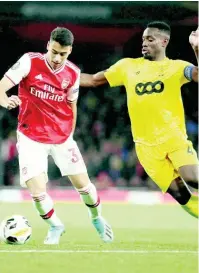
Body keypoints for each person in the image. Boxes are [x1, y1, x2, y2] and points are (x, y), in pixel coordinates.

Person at [0, 27, 113, 244]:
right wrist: (6, 101)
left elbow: (73, 105)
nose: (57, 58)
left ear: (70, 51)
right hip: (31, 136)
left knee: (84, 186)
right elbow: (2, 86)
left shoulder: (73, 73)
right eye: (54, 51)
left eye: (63, 54)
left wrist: (69, 134)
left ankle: (97, 218)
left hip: (61, 138)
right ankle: (55, 226)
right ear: (48, 45)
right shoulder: (29, 62)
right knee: (37, 190)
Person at [80, 21, 199, 218]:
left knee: (193, 179)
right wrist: (59, 77)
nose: (144, 43)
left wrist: (197, 48)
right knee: (182, 197)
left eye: (150, 39)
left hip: (173, 139)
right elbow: (93, 79)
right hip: (145, 148)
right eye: (143, 39)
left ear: (164, 41)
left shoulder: (177, 67)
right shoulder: (127, 66)